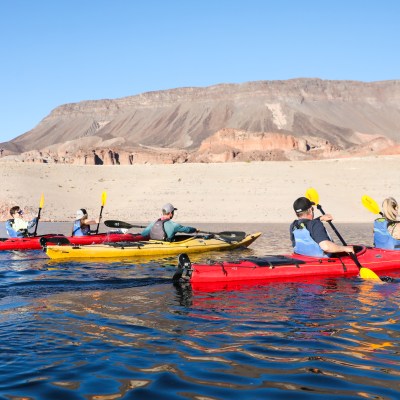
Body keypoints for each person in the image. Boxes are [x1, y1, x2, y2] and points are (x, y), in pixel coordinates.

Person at [290, 197, 354, 257]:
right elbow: (326, 247)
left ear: (296, 214)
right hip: (322, 261)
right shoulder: (316, 224)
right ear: (310, 210)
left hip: (304, 259)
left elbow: (306, 225)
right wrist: (345, 248)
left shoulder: (293, 226)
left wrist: (320, 218)